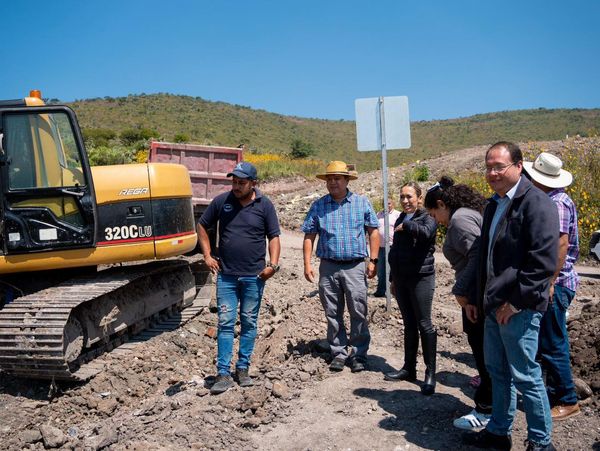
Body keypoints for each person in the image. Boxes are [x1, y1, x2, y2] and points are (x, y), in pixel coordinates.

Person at [462, 142, 559, 451]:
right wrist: (475, 297)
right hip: (493, 305)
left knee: (527, 376)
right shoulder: (494, 204)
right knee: (498, 372)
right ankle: (499, 432)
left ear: (519, 166)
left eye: (499, 167)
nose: (492, 173)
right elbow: (485, 257)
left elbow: (543, 261)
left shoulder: (536, 203)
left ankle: (541, 443)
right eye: (488, 167)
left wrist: (516, 303)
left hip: (520, 307)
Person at [197, 162, 281, 395]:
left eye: (241, 183)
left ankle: (242, 369)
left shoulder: (265, 205)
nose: (236, 186)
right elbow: (202, 225)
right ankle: (223, 373)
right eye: (234, 181)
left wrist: (273, 265)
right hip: (227, 277)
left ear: (253, 183)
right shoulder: (222, 202)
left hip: (254, 277)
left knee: (249, 322)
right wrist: (206, 255)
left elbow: (274, 237)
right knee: (225, 323)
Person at [424, 176, 492, 428]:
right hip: (477, 292)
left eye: (433, 213)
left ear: (441, 204)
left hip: (476, 294)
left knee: (484, 353)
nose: (434, 220)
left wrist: (462, 291)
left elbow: (478, 256)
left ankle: (486, 411)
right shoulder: (468, 213)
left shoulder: (460, 220)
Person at [302, 161, 379, 373]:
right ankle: (338, 352)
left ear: (347, 180)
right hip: (328, 267)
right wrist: (307, 263)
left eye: (337, 178)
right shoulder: (318, 205)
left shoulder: (361, 203)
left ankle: (359, 354)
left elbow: (373, 232)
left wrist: (373, 260)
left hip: (355, 266)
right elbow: (309, 236)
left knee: (358, 310)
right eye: (329, 179)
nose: (333, 182)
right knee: (332, 311)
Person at [524, 152, 581, 421]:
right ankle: (553, 391)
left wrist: (549, 280)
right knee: (548, 339)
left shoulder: (555, 204)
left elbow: (560, 245)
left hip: (555, 284)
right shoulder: (555, 199)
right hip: (556, 282)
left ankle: (568, 399)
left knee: (552, 341)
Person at [384, 182, 438, 395]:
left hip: (421, 278)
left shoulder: (427, 217)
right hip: (402, 278)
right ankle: (409, 368)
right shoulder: (400, 217)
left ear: (419, 197)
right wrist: (392, 279)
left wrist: (408, 227)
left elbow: (425, 234)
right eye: (402, 197)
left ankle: (431, 373)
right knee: (409, 324)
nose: (405, 201)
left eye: (409, 197)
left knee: (424, 324)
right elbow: (396, 250)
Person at [373, 199, 401, 297]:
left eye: (389, 203)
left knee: (393, 270)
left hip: (392, 246)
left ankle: (394, 291)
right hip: (380, 246)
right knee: (381, 270)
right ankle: (380, 290)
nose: (386, 205)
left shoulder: (398, 214)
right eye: (384, 203)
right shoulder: (378, 214)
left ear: (393, 204)